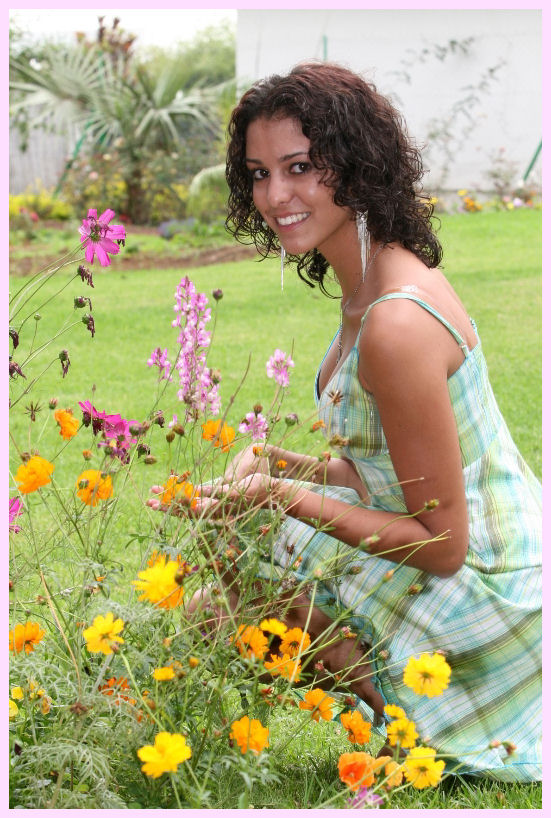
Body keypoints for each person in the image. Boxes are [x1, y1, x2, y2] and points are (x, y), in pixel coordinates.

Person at [192, 62, 541, 782]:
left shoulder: (395, 321)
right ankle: (378, 697)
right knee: (219, 583)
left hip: (491, 593)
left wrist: (279, 497)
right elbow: (380, 473)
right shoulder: (368, 284)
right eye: (259, 174)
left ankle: (401, 716)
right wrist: (277, 463)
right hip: (469, 555)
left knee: (236, 578)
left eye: (299, 167)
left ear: (356, 164)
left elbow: (442, 544)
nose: (275, 196)